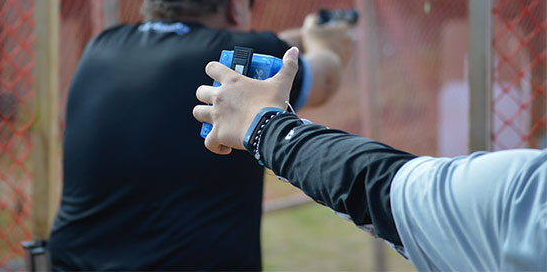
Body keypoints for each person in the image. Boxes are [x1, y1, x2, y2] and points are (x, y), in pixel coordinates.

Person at [47, 0, 352, 271]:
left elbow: (198, 49)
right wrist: (322, 39)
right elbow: (325, 77)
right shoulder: (243, 55)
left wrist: (287, 38)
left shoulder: (102, 46)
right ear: (237, 4)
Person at [193, 47, 547, 272]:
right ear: (237, 2)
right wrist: (323, 47)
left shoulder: (523, 195)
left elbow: (375, 185)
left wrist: (265, 126)